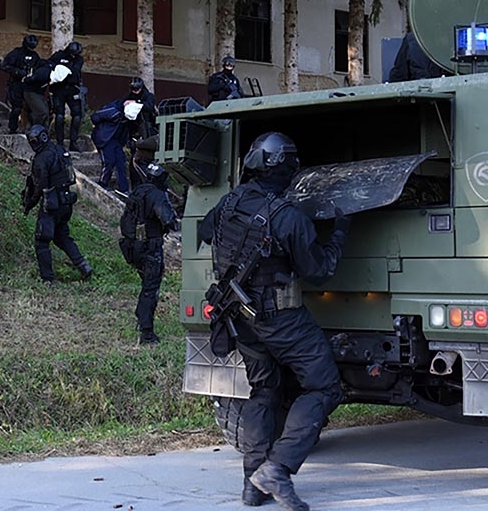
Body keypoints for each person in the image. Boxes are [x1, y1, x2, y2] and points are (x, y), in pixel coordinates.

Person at [197, 132, 351, 511]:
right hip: (282, 320)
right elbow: (319, 271)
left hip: (241, 319)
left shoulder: (228, 203)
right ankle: (277, 469)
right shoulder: (287, 216)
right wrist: (342, 230)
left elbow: (205, 234)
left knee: (263, 392)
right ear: (286, 167)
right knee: (324, 388)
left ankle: (253, 485)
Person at [22, 125, 94, 282]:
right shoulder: (60, 150)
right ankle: (83, 265)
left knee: (42, 240)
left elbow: (40, 185)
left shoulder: (42, 158)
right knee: (61, 236)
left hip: (52, 203)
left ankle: (47, 279)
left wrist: (30, 204)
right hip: (66, 201)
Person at [119, 160, 178, 345]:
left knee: (146, 284)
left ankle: (140, 317)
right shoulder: (157, 195)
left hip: (133, 247)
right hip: (150, 247)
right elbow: (168, 219)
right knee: (150, 289)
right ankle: (146, 333)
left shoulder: (138, 191)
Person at [47, 40, 86, 150]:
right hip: (58, 89)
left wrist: (64, 68)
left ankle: (73, 141)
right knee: (59, 116)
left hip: (73, 89)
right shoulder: (58, 55)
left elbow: (75, 71)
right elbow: (49, 65)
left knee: (77, 115)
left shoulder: (79, 59)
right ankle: (60, 142)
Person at [2, 34, 44, 134]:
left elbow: (39, 67)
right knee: (16, 108)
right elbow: (5, 66)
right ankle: (12, 128)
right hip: (16, 84)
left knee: (31, 109)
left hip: (29, 85)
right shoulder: (16, 53)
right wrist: (17, 71)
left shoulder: (35, 56)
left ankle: (30, 129)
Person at [90, 100, 130, 193]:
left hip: (116, 140)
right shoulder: (113, 111)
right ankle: (103, 183)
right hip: (105, 139)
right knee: (109, 161)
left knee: (121, 162)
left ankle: (123, 188)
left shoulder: (128, 118)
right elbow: (95, 117)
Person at [123, 77, 158, 141]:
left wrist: (136, 103)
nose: (136, 92)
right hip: (132, 124)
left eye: (138, 90)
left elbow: (149, 106)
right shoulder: (129, 96)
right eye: (134, 90)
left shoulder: (148, 96)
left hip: (147, 123)